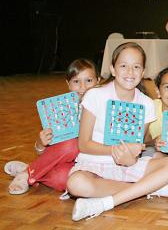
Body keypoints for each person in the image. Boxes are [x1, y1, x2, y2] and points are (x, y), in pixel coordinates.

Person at [66, 42, 168, 221]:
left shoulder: (146, 103)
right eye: (123, 66)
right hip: (95, 163)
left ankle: (104, 202)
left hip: (128, 165)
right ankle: (151, 188)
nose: (130, 72)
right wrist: (113, 150)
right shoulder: (95, 95)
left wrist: (131, 156)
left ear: (143, 71)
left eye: (136, 67)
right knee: (75, 184)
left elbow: (136, 145)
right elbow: (83, 144)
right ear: (113, 69)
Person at [5, 59, 99, 196]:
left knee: (62, 180)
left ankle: (29, 169)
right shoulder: (59, 110)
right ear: (68, 84)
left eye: (89, 80)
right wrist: (40, 143)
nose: (82, 87)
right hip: (67, 155)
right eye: (76, 81)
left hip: (87, 164)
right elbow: (44, 153)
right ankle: (26, 174)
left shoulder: (104, 106)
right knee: (72, 145)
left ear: (98, 81)